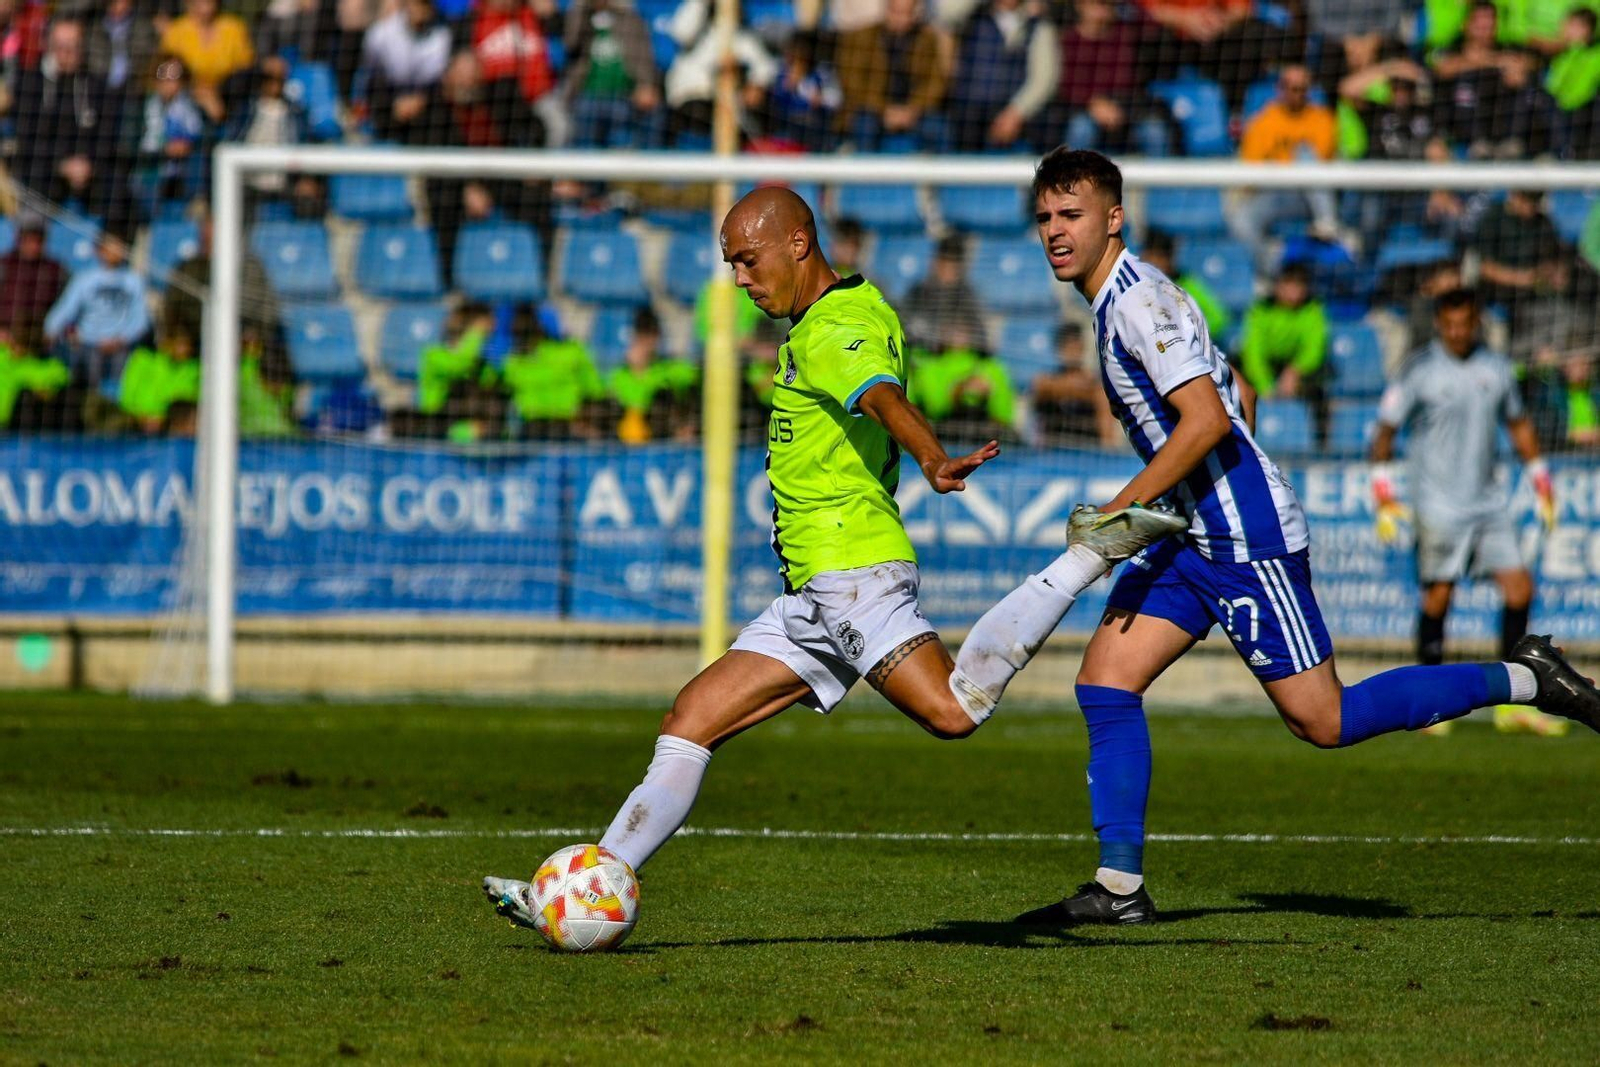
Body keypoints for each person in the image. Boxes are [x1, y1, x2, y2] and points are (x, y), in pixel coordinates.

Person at [482, 186, 1187, 922]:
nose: (741, 281)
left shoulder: (838, 322)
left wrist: (931, 457)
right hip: (812, 593)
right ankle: (583, 890)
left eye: (749, 262)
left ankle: (1085, 556)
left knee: (953, 710)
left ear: (797, 244)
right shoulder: (835, 314)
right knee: (691, 718)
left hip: (850, 575)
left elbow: (879, 395)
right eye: (731, 267)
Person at [1014, 148, 1600, 928]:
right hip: (1192, 533)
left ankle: (1529, 677)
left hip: (1243, 538)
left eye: (1072, 214)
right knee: (1106, 681)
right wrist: (1183, 500)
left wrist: (1129, 511)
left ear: (1113, 218)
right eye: (1047, 217)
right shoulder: (1126, 298)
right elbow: (1239, 391)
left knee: (1325, 720)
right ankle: (1119, 887)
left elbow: (1210, 418)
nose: (1056, 231)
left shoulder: (1138, 305)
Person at [1371, 288, 1565, 736]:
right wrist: (1383, 493)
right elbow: (1385, 431)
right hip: (1438, 504)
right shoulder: (1418, 371)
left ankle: (1514, 701)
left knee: (1519, 589)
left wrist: (1539, 476)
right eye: (1450, 325)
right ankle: (1426, 704)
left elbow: (1517, 422)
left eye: (1466, 324)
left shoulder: (1496, 369)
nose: (1458, 332)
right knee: (1439, 597)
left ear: (1476, 323)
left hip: (1488, 504)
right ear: (1440, 323)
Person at [1231, 64, 1340, 261]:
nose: (1296, 94)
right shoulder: (1263, 122)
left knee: (1305, 154)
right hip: (1275, 193)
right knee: (1241, 219)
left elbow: (1321, 164)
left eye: (1302, 89)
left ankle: (1327, 221)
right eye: (1290, 87)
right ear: (1280, 88)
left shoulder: (1322, 118)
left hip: (1308, 195)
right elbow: (1251, 171)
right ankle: (1270, 267)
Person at [835, 0, 948, 151]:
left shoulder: (926, 40)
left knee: (938, 126)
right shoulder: (862, 38)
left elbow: (936, 83)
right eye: (896, 12)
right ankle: (863, 173)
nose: (900, 19)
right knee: (865, 124)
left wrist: (911, 110)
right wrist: (884, 110)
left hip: (914, 112)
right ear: (887, 10)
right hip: (872, 111)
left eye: (906, 13)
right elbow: (852, 83)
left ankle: (946, 174)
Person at [43, 233, 151, 389]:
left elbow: (141, 319)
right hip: (90, 345)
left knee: (121, 381)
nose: (115, 251)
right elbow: (67, 308)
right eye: (110, 246)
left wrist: (123, 339)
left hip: (121, 345)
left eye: (119, 246)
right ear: (100, 250)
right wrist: (50, 329)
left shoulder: (134, 281)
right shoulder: (85, 279)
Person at [1239, 262, 1329, 447]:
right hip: (1266, 368)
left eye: (1299, 285)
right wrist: (1264, 386)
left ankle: (1320, 443)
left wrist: (1296, 370)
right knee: (1237, 382)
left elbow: (1315, 347)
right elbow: (1253, 352)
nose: (1294, 291)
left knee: (1319, 390)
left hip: (1298, 369)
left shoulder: (1313, 309)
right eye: (1289, 285)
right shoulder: (1261, 309)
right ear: (1278, 286)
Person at [159, 0, 254, 125]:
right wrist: (199, 91)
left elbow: (245, 66)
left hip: (228, 94)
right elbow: (167, 70)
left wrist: (215, 92)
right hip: (188, 93)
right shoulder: (176, 32)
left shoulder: (234, 28)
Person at [1030, 321, 1120, 446]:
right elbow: (1040, 387)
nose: (1072, 350)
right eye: (1067, 345)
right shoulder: (1049, 379)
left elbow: (1100, 398)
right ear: (1059, 349)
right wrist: (1083, 390)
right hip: (1051, 450)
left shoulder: (1095, 383)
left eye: (1076, 344)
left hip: (1086, 451)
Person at [898, 233, 985, 353]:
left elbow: (981, 338)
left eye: (952, 264)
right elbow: (902, 327)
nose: (946, 269)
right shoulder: (918, 292)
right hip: (921, 357)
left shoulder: (967, 297)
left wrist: (965, 337)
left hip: (953, 361)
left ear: (960, 267)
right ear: (935, 263)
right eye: (943, 262)